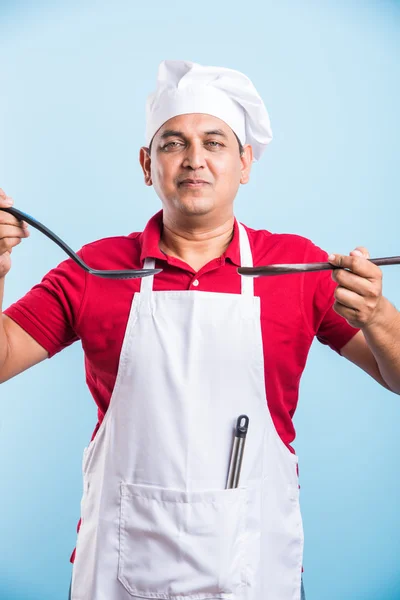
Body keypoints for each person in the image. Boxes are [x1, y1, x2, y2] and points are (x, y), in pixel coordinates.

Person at [1, 60, 399, 600]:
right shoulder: (94, 269)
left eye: (214, 142)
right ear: (147, 164)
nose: (194, 160)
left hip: (256, 566)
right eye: (172, 143)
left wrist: (377, 315)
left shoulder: (298, 268)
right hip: (117, 565)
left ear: (245, 162)